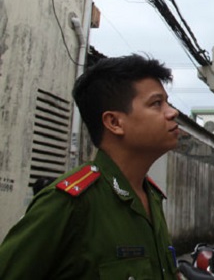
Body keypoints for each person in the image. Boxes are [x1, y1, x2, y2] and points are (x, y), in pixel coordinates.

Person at [0, 55, 180, 279]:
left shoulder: (151, 197)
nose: (172, 112)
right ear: (114, 122)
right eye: (156, 103)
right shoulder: (69, 204)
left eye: (167, 102)